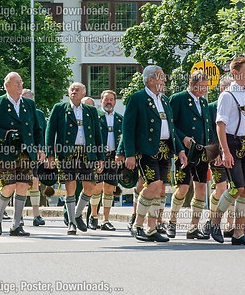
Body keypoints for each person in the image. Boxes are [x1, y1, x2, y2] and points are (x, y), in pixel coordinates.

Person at [122, 65, 187, 242]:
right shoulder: (137, 98)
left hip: (165, 149)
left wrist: (180, 149)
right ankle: (138, 225)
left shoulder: (164, 100)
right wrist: (129, 153)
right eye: (161, 77)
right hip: (146, 150)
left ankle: (152, 228)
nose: (164, 80)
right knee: (153, 185)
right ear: (150, 80)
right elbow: (127, 128)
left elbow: (171, 128)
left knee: (160, 189)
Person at [210, 56, 245, 246]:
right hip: (231, 143)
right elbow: (220, 125)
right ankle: (214, 221)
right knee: (236, 187)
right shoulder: (226, 95)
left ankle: (239, 233)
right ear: (235, 73)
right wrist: (225, 151)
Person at [0, 72, 45, 236]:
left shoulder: (29, 104)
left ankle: (16, 225)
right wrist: (5, 134)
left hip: (26, 151)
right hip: (5, 151)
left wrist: (40, 148)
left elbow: (38, 129)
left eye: (21, 82)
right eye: (16, 82)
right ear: (6, 86)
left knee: (23, 185)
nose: (19, 85)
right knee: (8, 186)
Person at [46, 82, 104, 235]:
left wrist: (100, 157)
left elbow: (97, 134)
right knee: (70, 187)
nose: (74, 91)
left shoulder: (90, 110)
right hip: (66, 153)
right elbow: (50, 131)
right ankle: (71, 222)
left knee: (90, 185)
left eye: (77, 90)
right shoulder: (60, 108)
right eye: (72, 89)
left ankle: (78, 214)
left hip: (87, 152)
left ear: (83, 93)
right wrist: (50, 154)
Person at [166, 70, 214, 239]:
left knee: (201, 188)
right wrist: (182, 138)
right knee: (183, 188)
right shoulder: (178, 99)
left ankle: (193, 227)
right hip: (184, 152)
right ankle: (171, 222)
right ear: (192, 84)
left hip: (201, 152)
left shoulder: (203, 102)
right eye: (201, 87)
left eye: (205, 87)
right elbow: (169, 125)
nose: (204, 90)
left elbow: (209, 128)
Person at [89, 90, 124, 231]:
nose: (109, 102)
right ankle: (93, 216)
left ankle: (106, 220)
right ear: (101, 101)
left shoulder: (120, 119)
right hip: (99, 156)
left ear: (115, 101)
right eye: (106, 99)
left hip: (114, 156)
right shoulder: (96, 117)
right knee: (97, 187)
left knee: (109, 188)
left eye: (111, 99)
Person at [204, 76, 234, 236]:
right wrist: (215, 152)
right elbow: (209, 131)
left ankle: (231, 224)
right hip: (216, 153)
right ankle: (211, 220)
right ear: (222, 90)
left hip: (234, 152)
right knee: (221, 188)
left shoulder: (238, 106)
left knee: (235, 187)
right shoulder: (210, 108)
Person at [22, 88, 47, 227]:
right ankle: (18, 215)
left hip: (34, 152)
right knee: (20, 183)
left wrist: (42, 150)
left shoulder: (39, 114)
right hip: (18, 151)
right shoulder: (16, 113)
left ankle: (36, 215)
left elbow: (42, 133)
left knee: (35, 181)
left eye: (28, 100)